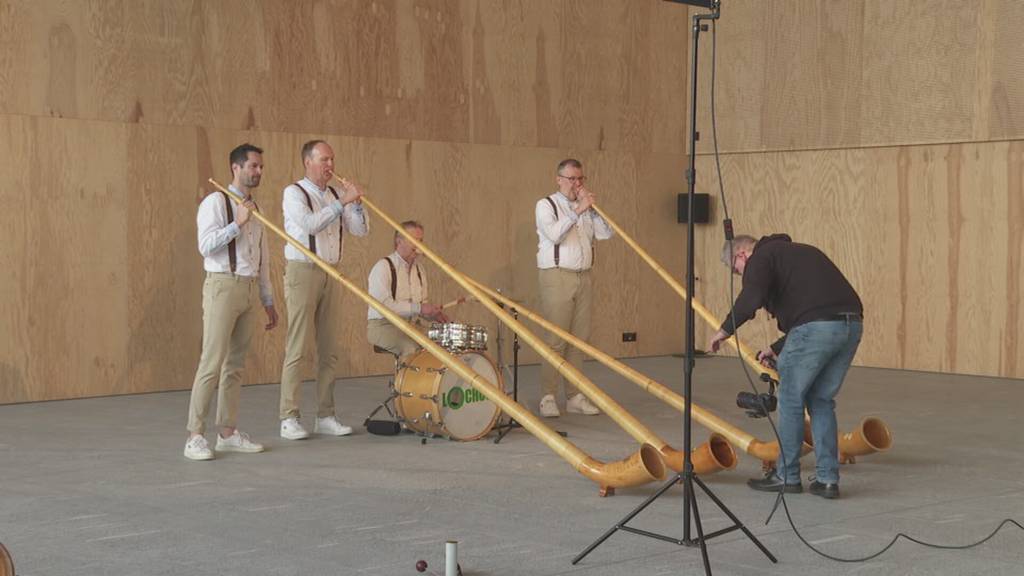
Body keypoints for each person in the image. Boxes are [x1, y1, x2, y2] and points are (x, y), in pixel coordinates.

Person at [708, 234, 863, 499]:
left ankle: (787, 476)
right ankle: (827, 479)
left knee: (790, 399)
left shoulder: (761, 257)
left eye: (737, 270)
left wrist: (723, 331)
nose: (741, 274)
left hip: (815, 328)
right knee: (821, 400)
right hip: (850, 326)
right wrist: (778, 348)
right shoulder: (799, 252)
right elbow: (815, 307)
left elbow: (752, 296)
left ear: (742, 255)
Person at [184, 143, 278, 461]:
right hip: (222, 286)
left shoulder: (256, 209)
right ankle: (195, 436)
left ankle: (227, 432)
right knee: (211, 362)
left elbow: (263, 259)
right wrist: (236, 224)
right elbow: (205, 246)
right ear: (235, 168)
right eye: (253, 166)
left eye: (261, 167)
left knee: (236, 365)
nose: (258, 172)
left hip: (248, 289)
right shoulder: (216, 202)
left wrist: (268, 299)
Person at [278, 140, 369, 440]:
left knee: (329, 349)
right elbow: (309, 225)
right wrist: (342, 203)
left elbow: (360, 231)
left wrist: (356, 203)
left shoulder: (333, 194)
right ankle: (288, 417)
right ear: (308, 162)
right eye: (324, 160)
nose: (330, 165)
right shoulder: (294, 192)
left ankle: (325, 415)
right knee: (298, 346)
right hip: (303, 271)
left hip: (333, 273)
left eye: (332, 159)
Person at [534, 158, 614, 417]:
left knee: (578, 341)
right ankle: (547, 396)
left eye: (580, 179)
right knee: (556, 339)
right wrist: (578, 210)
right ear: (559, 179)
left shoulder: (584, 208)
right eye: (571, 179)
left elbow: (605, 234)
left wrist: (593, 210)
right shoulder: (546, 205)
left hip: (584, 277)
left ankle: (573, 396)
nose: (576, 184)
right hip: (557, 276)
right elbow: (555, 234)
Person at [367, 220, 448, 359]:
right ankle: (406, 381)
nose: (419, 246)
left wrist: (433, 314)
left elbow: (420, 306)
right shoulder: (383, 267)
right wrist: (420, 308)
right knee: (411, 348)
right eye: (414, 240)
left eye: (421, 240)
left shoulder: (420, 270)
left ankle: (428, 381)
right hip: (383, 326)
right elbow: (384, 307)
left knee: (442, 345)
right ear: (399, 242)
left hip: (411, 326)